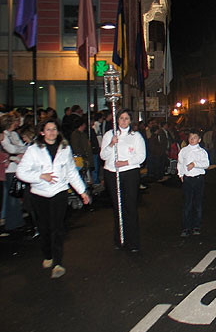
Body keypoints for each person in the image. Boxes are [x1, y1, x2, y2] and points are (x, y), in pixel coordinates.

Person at [16, 118, 89, 278]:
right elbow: (21, 172)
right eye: (48, 129)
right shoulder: (34, 149)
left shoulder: (64, 148)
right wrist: (40, 176)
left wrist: (82, 192)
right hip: (40, 194)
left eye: (54, 129)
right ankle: (48, 255)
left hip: (59, 192)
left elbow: (71, 171)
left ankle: (57, 263)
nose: (51, 132)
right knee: (44, 228)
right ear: (42, 132)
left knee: (57, 228)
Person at [100, 109, 146, 252]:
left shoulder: (136, 136)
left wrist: (126, 162)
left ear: (130, 120)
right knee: (118, 206)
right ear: (117, 119)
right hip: (112, 173)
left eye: (126, 118)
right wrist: (111, 144)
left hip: (130, 172)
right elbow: (103, 155)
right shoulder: (109, 135)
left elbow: (141, 156)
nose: (124, 121)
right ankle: (119, 239)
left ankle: (133, 241)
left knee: (130, 206)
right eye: (121, 118)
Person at [178, 129, 210, 237]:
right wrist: (181, 174)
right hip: (188, 179)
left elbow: (206, 164)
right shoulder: (184, 151)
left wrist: (195, 164)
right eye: (190, 138)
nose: (192, 140)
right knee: (187, 203)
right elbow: (180, 163)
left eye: (195, 138)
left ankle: (196, 226)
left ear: (199, 140)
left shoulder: (202, 152)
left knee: (197, 203)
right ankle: (186, 227)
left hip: (198, 179)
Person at [1, 112, 27, 232]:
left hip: (16, 168)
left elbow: (19, 147)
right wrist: (19, 150)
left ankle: (16, 221)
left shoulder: (13, 134)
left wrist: (18, 150)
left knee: (16, 195)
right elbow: (11, 149)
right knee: (12, 196)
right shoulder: (5, 136)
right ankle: (11, 223)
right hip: (9, 169)